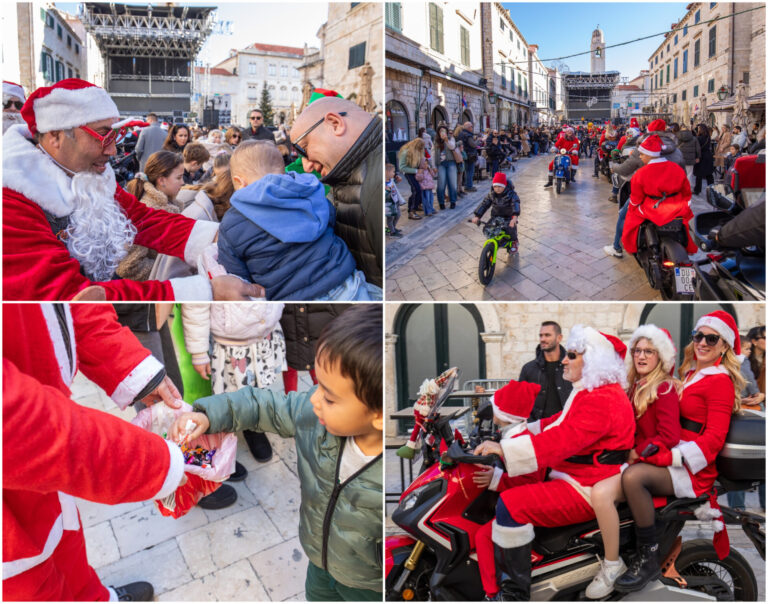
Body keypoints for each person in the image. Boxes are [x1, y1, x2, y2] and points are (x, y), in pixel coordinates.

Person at [170, 305, 383, 602]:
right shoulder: (312, 414)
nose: (315, 399)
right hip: (318, 559)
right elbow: (262, 405)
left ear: (380, 415)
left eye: (330, 397)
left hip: (367, 584)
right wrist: (209, 416)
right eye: (317, 385)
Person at [3, 78, 259, 301]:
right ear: (56, 136)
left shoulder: (88, 174)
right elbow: (67, 295)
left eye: (115, 136)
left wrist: (224, 236)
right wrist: (202, 292)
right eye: (103, 136)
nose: (113, 150)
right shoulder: (11, 203)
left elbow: (142, 219)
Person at [3, 303, 187, 601]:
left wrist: (136, 371)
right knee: (36, 586)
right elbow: (16, 425)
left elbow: (69, 297)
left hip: (49, 462)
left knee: (69, 549)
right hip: (12, 508)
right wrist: (157, 463)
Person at [473, 325, 635, 600]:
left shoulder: (602, 398)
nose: (563, 360)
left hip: (584, 484)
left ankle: (514, 595)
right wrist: (518, 432)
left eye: (572, 355)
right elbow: (554, 423)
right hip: (574, 475)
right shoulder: (589, 391)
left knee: (511, 504)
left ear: (592, 359)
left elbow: (562, 438)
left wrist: (503, 449)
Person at [615, 311, 746, 593]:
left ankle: (647, 556)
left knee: (634, 478)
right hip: (676, 455)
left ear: (724, 345)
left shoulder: (720, 381)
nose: (703, 342)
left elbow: (714, 439)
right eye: (698, 336)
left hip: (693, 467)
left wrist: (671, 457)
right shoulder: (691, 373)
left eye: (712, 338)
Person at [217, 140, 379, 301]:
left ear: (239, 181)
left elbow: (235, 272)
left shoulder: (232, 222)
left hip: (292, 298)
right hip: (345, 282)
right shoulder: (307, 191)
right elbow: (330, 218)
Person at [587, 325, 681, 598]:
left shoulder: (663, 387)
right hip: (633, 462)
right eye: (637, 351)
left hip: (652, 466)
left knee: (603, 492)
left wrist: (637, 453)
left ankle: (630, 559)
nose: (641, 356)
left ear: (660, 357)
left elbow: (669, 436)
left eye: (649, 351)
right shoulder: (633, 386)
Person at [288, 94, 382, 289]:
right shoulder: (347, 177)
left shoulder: (375, 181)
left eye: (304, 149)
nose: (307, 166)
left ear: (335, 123)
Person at [182, 302, 286, 466]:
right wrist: (198, 350)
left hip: (264, 332)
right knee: (228, 393)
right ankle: (222, 436)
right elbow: (196, 305)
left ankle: (253, 428)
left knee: (259, 388)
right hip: (230, 343)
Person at [472, 380, 543, 600]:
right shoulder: (514, 435)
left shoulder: (519, 439)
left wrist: (495, 480)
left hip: (525, 502)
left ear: (504, 414)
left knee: (483, 535)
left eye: (496, 407)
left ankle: (492, 593)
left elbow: (529, 480)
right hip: (518, 499)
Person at [621, 135, 695, 256]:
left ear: (649, 155)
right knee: (686, 221)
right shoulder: (676, 168)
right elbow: (686, 191)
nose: (640, 157)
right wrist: (685, 203)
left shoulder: (641, 173)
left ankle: (631, 247)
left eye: (642, 154)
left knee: (631, 216)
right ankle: (689, 246)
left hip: (653, 208)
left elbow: (636, 198)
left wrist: (632, 207)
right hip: (676, 206)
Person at [116, 151, 186, 281]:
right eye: (179, 177)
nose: (183, 182)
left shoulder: (168, 205)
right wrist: (169, 272)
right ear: (161, 180)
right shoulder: (150, 210)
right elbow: (129, 266)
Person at [518, 321, 574, 420]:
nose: (543, 339)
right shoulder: (528, 369)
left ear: (559, 338)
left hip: (566, 427)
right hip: (537, 429)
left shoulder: (571, 367)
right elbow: (521, 401)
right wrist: (531, 424)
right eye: (541, 335)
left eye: (547, 335)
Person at [471, 172, 521, 254]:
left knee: (510, 229)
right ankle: (495, 241)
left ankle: (514, 242)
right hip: (495, 216)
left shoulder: (511, 194)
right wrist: (477, 216)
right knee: (488, 227)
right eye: (495, 186)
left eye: (500, 186)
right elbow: (484, 204)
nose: (497, 189)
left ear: (504, 186)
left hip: (508, 216)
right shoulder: (491, 194)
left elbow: (515, 204)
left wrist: (514, 217)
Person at [398, 137, 425, 220]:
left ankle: (416, 205)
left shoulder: (418, 152)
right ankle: (411, 211)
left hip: (416, 172)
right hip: (409, 173)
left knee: (420, 189)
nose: (421, 149)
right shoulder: (406, 152)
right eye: (420, 147)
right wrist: (416, 171)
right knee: (416, 189)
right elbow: (402, 167)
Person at [434, 123, 458, 209]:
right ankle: (441, 202)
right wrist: (433, 166)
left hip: (451, 162)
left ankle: (453, 201)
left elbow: (452, 147)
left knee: (452, 184)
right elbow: (433, 153)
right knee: (441, 184)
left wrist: (446, 140)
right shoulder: (436, 140)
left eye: (444, 130)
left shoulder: (451, 138)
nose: (442, 132)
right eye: (441, 131)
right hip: (441, 164)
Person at [693, 123, 715, 195]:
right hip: (708, 156)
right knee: (709, 174)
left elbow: (697, 149)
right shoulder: (708, 137)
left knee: (699, 174)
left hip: (701, 156)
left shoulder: (699, 138)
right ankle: (712, 190)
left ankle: (697, 190)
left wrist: (697, 157)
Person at [458, 121, 479, 191]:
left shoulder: (460, 134)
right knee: (470, 171)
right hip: (470, 155)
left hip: (463, 154)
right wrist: (477, 140)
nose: (472, 128)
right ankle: (469, 186)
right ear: (468, 127)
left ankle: (466, 185)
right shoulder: (468, 135)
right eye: (471, 127)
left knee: (466, 171)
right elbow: (473, 144)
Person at [385, 163, 404, 237]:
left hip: (395, 201)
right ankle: (392, 232)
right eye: (393, 172)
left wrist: (397, 181)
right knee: (391, 217)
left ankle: (393, 228)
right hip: (388, 203)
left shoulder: (391, 180)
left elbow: (394, 185)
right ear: (387, 172)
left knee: (398, 215)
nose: (394, 173)